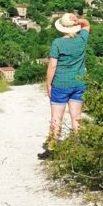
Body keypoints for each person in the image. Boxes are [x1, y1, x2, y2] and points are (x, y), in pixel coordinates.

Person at [38, 13, 90, 159]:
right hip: (79, 83)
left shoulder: (57, 43)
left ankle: (52, 150)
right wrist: (80, 20)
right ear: (75, 27)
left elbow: (52, 66)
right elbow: (87, 24)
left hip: (60, 84)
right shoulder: (82, 39)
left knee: (56, 118)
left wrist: (48, 84)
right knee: (77, 118)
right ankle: (79, 150)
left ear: (62, 28)